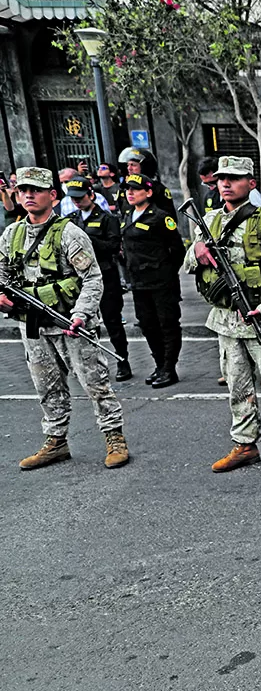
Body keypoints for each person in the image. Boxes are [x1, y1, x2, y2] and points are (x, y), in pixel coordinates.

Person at [183, 156, 261, 475]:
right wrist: (196, 252)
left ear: (251, 184)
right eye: (221, 179)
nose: (225, 184)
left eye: (234, 179)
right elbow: (190, 262)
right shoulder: (208, 221)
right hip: (226, 320)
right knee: (238, 387)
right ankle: (245, 444)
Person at [0, 167, 130, 470]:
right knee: (46, 385)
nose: (29, 195)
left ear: (53, 196)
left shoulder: (70, 233)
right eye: (23, 191)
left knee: (95, 384)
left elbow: (92, 278)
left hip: (69, 323)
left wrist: (81, 314)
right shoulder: (12, 234)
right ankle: (56, 441)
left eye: (36, 190)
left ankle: (114, 437)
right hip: (32, 325)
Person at [120, 172, 185, 388]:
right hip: (138, 283)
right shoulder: (128, 214)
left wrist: (165, 272)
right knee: (148, 325)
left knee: (167, 324)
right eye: (128, 189)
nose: (130, 193)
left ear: (148, 192)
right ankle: (159, 364)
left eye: (135, 189)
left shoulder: (159, 217)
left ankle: (169, 368)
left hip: (161, 281)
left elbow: (177, 250)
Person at [65, 175, 132, 382]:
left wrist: (86, 241)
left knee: (112, 321)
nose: (77, 201)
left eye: (80, 197)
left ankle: (123, 361)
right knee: (84, 322)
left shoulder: (107, 219)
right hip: (79, 279)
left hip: (105, 275)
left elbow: (113, 246)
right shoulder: (71, 219)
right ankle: (91, 365)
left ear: (91, 195)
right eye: (73, 198)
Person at [115, 147, 176, 217]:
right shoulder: (123, 188)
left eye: (133, 165)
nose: (129, 168)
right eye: (128, 165)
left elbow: (169, 217)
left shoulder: (157, 189)